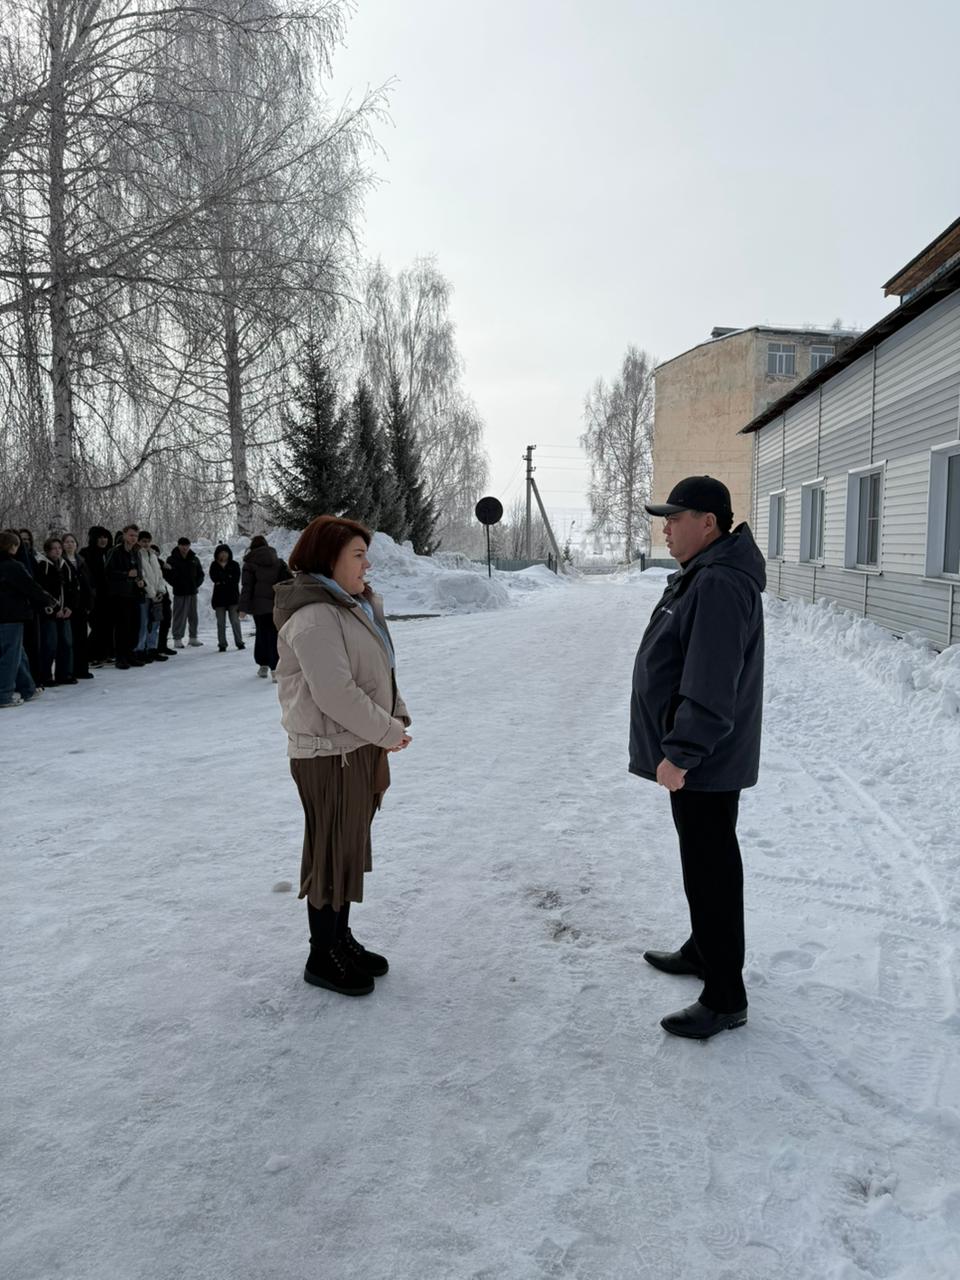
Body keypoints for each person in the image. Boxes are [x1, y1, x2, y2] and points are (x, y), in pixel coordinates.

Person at [629, 476, 765, 1041]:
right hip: (701, 759)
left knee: (712, 871)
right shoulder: (704, 574)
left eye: (675, 517)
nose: (665, 528)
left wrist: (682, 752)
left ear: (708, 523)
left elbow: (711, 683)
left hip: (703, 760)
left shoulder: (718, 583)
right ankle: (703, 950)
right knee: (701, 860)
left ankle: (725, 996)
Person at [274, 516, 412, 996]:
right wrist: (387, 730)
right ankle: (322, 954)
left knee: (347, 848)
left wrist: (396, 717)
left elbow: (378, 671)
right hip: (329, 753)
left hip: (354, 747)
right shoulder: (315, 615)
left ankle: (340, 938)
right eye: (357, 555)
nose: (366, 565)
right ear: (327, 559)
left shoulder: (348, 607)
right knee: (331, 851)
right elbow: (336, 693)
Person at [0, 530, 57, 707]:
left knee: (18, 652)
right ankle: (4, 694)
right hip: (11, 615)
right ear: (12, 547)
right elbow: (30, 586)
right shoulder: (12, 566)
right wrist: (49, 600)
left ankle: (28, 688)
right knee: (10, 655)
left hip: (5, 616)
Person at [239, 534, 290, 680]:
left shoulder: (250, 564)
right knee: (273, 635)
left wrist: (243, 608)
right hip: (275, 605)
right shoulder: (278, 561)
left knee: (261, 634)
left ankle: (263, 666)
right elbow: (287, 582)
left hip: (259, 607)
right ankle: (275, 669)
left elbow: (247, 587)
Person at [35, 537, 76, 685]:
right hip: (49, 613)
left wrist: (69, 606)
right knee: (49, 644)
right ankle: (45, 675)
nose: (57, 551)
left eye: (59, 548)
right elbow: (41, 590)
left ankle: (64, 674)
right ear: (47, 550)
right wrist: (53, 608)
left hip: (65, 612)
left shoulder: (66, 565)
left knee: (66, 643)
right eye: (54, 548)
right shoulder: (42, 565)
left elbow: (72, 588)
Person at [106, 524, 145, 669]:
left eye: (136, 536)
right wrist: (126, 574)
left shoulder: (136, 552)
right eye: (131, 535)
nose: (133, 538)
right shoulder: (115, 551)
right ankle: (121, 657)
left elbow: (138, 571)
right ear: (124, 535)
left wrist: (141, 580)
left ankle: (130, 654)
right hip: (120, 594)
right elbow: (108, 572)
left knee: (135, 626)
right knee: (122, 627)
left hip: (134, 593)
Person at [61, 533, 95, 679]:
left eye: (72, 541)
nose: (70, 544)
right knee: (70, 640)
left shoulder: (81, 561)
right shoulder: (61, 561)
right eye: (67, 542)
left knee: (82, 638)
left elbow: (88, 583)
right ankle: (70, 670)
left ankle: (82, 669)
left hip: (82, 605)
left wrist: (90, 602)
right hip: (68, 605)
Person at [80, 526, 114, 664]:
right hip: (94, 596)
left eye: (105, 537)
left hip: (110, 596)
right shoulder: (85, 553)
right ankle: (91, 655)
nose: (103, 540)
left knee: (108, 626)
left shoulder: (111, 552)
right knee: (97, 626)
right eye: (100, 537)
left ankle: (106, 653)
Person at [134, 531, 169, 663]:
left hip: (156, 595)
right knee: (143, 623)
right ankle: (140, 649)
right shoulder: (137, 555)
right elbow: (142, 576)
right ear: (139, 542)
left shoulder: (153, 555)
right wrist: (152, 593)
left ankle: (152, 648)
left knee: (155, 622)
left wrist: (161, 590)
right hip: (145, 595)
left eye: (148, 541)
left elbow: (159, 574)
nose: (146, 544)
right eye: (143, 541)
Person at [165, 537, 204, 647]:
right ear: (178, 545)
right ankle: (177, 638)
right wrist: (176, 583)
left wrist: (196, 584)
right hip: (180, 592)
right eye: (182, 545)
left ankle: (193, 637)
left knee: (193, 616)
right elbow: (167, 574)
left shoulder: (194, 558)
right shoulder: (172, 559)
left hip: (192, 592)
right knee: (179, 616)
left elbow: (201, 574)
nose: (185, 548)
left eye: (187, 545)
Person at [208, 544, 244, 652]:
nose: (223, 555)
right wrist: (227, 578)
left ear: (229, 554)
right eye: (221, 553)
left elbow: (235, 579)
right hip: (219, 599)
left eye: (225, 553)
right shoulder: (214, 565)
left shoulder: (234, 564)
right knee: (221, 623)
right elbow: (214, 578)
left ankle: (239, 642)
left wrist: (222, 580)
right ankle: (222, 644)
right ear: (217, 554)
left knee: (235, 621)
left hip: (233, 598)